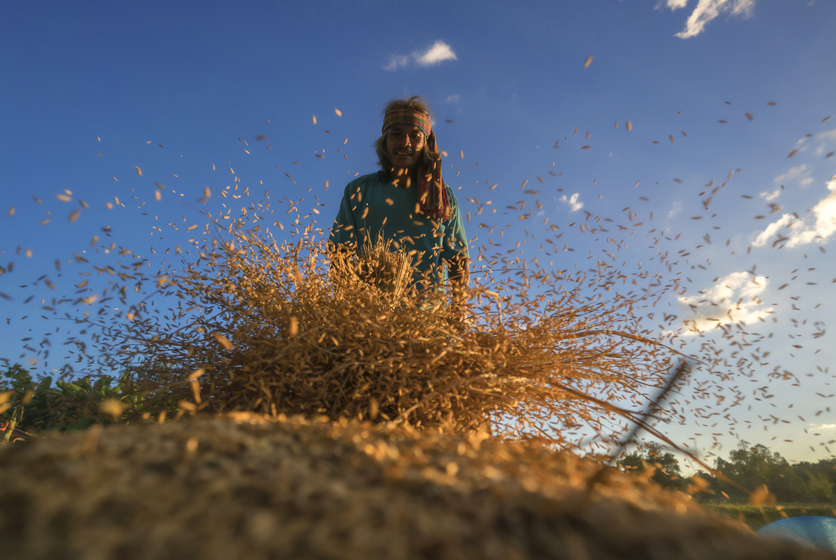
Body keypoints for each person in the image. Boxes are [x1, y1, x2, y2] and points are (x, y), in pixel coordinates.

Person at [329, 96, 469, 315]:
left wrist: (459, 308)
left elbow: (457, 258)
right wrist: (348, 304)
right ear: (385, 141)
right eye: (396, 134)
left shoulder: (442, 197)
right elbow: (341, 253)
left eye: (415, 136)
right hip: (369, 317)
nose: (405, 143)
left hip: (427, 321)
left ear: (426, 144)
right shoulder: (359, 190)